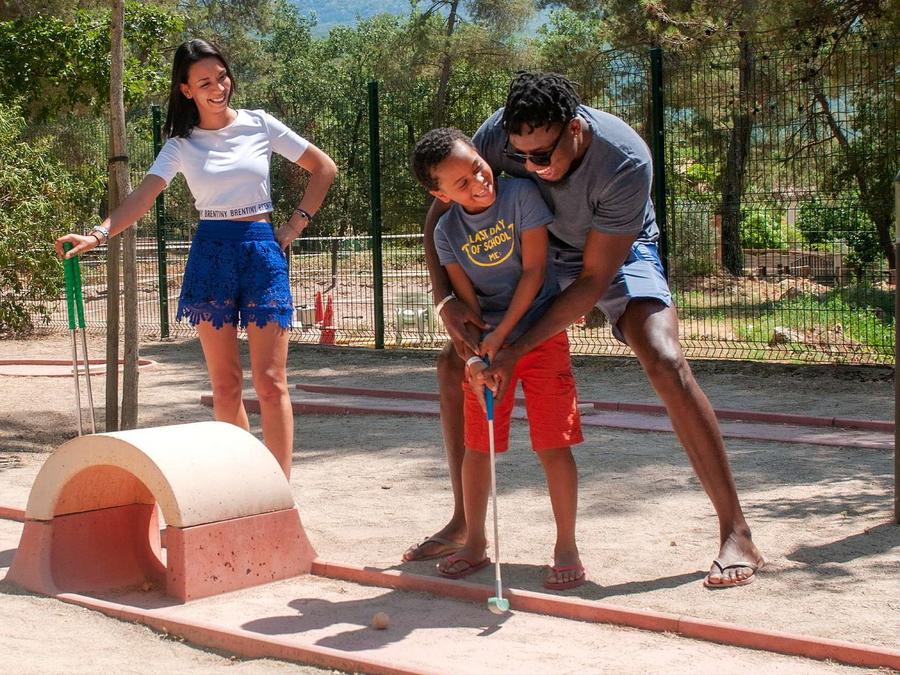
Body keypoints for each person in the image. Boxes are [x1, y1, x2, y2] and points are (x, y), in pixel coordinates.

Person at [407, 72, 764, 588]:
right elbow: (440, 215)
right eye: (521, 157)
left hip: (612, 251)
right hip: (537, 246)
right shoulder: (499, 135)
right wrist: (445, 300)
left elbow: (593, 279)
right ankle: (466, 524)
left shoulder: (625, 160)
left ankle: (736, 532)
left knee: (664, 359)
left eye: (542, 156)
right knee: (453, 363)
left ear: (574, 129)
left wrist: (516, 348)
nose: (531, 167)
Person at [55, 39, 337, 479]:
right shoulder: (181, 145)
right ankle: (245, 482)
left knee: (270, 382)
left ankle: (279, 490)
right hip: (210, 256)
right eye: (205, 82)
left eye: (222, 77)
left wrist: (294, 226)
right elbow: (143, 197)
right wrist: (98, 234)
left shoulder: (260, 124)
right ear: (186, 90)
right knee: (225, 387)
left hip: (262, 252)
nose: (218, 88)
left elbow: (324, 168)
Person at [411, 127, 586, 590]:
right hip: (488, 346)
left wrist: (505, 337)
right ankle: (474, 543)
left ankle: (566, 546)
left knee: (553, 443)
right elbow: (467, 306)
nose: (478, 182)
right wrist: (474, 360)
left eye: (477, 168)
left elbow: (534, 272)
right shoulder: (447, 233)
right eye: (461, 183)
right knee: (478, 446)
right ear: (441, 196)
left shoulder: (521, 196)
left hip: (541, 335)